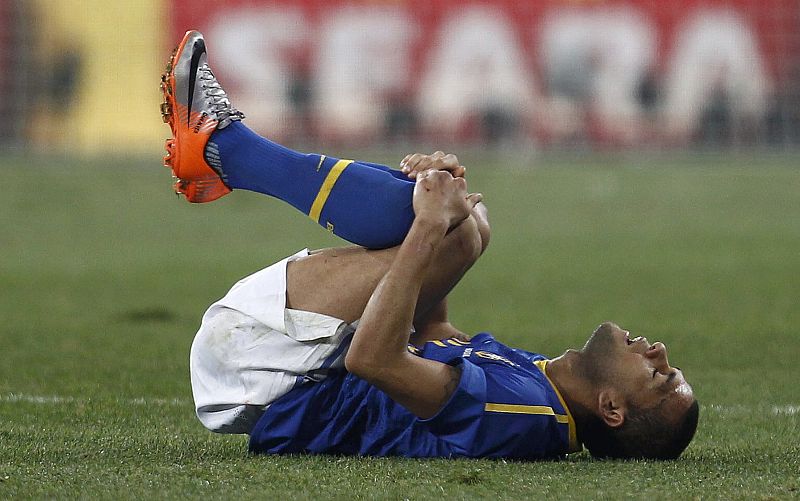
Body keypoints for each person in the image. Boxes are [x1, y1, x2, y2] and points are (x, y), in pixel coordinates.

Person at [160, 31, 699, 460]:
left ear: (611, 409)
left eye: (658, 375)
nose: (659, 352)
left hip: (269, 371)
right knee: (466, 222)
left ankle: (220, 147)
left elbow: (375, 360)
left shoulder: (524, 414)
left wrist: (426, 227)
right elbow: (431, 333)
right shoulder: (543, 384)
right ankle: (218, 155)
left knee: (453, 228)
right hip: (296, 361)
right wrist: (437, 196)